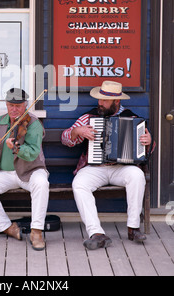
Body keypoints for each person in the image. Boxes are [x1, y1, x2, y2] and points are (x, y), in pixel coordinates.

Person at [61, 80, 152, 250]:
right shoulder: (89, 117)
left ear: (116, 101)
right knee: (79, 184)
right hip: (95, 168)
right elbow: (65, 138)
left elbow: (148, 148)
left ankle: (133, 228)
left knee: (137, 175)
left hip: (122, 168)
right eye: (99, 99)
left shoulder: (132, 118)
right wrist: (77, 132)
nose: (99, 103)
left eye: (104, 100)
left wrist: (148, 142)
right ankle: (96, 232)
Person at [0, 87, 49, 251]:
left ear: (25, 105)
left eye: (18, 106)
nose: (14, 109)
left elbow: (32, 153)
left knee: (42, 183)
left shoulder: (34, 124)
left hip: (30, 171)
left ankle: (36, 230)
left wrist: (16, 148)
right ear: (6, 105)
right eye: (10, 105)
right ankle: (7, 227)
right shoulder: (0, 121)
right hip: (6, 173)